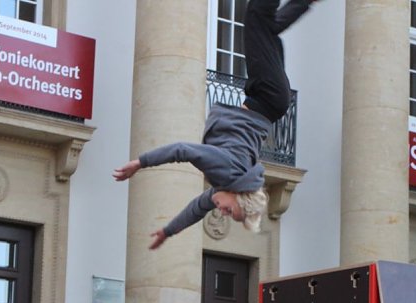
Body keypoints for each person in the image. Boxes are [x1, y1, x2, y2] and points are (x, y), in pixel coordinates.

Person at [113, 0, 319, 249]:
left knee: (267, 27)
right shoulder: (226, 171)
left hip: (269, 101)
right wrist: (139, 163)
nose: (222, 212)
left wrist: (168, 231)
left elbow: (196, 209)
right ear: (239, 197)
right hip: (268, 95)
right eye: (231, 211)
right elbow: (183, 150)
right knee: (257, 18)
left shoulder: (228, 183)